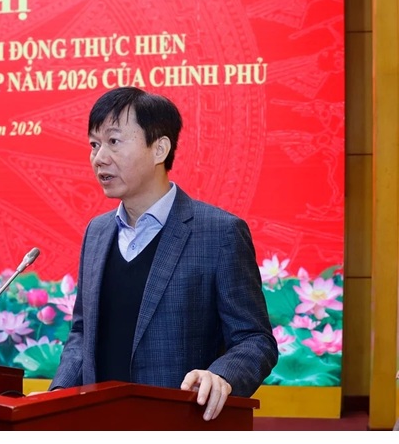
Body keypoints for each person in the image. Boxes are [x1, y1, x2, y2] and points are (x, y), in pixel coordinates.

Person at [49, 87, 278, 421]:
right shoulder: (97, 232)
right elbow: (82, 334)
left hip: (179, 423)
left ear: (159, 149)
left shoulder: (219, 232)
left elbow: (255, 339)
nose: (99, 158)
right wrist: (58, 395)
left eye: (113, 141)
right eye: (94, 145)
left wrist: (221, 376)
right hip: (98, 423)